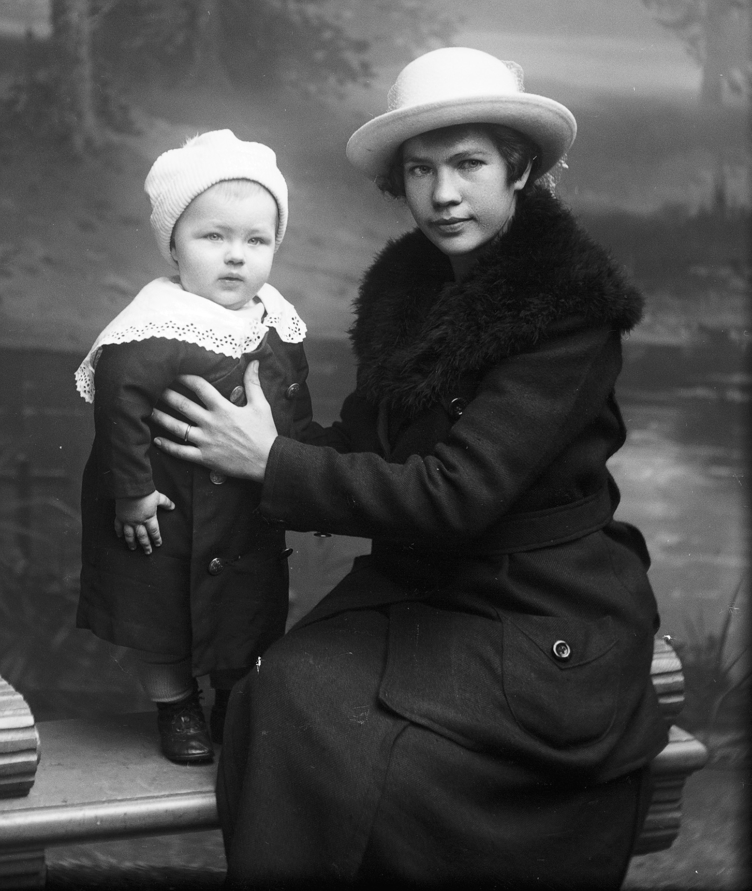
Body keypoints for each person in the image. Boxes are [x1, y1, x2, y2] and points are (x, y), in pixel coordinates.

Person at [152, 48, 669, 888]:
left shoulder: (567, 314)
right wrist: (238, 447)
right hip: (433, 591)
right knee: (279, 692)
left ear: (520, 170)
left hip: (540, 606)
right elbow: (368, 441)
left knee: (322, 719)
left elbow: (456, 494)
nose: (443, 194)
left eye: (469, 165)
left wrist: (271, 462)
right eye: (421, 170)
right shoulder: (411, 292)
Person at [75, 129, 311, 765]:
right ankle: (176, 705)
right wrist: (131, 494)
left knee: (247, 606)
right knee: (159, 613)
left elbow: (291, 399)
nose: (235, 256)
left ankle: (235, 699)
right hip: (165, 508)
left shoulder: (274, 321)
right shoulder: (152, 327)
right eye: (213, 237)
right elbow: (118, 411)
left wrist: (303, 471)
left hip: (243, 508)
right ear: (174, 244)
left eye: (256, 241)